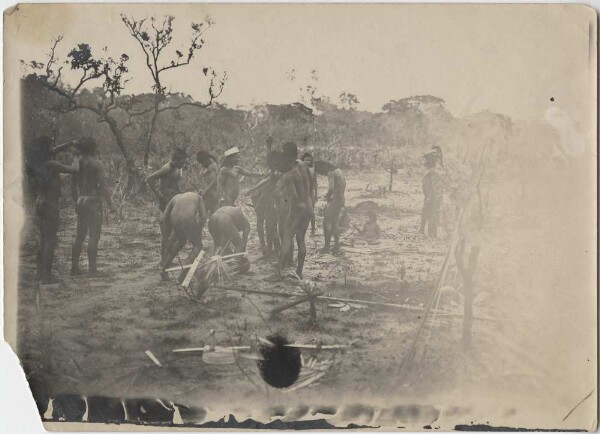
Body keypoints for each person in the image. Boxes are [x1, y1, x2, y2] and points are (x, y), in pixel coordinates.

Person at [25, 136, 77, 283]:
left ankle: (39, 274)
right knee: (50, 241)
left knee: (43, 240)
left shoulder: (37, 163)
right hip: (50, 205)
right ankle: (47, 277)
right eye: (50, 146)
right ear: (46, 149)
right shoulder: (52, 164)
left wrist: (70, 142)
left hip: (39, 203)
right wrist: (76, 158)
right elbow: (74, 170)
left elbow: (54, 149)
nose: (53, 148)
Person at [71, 137, 116, 276]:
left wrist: (77, 201)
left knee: (80, 236)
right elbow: (103, 186)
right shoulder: (97, 164)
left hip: (81, 199)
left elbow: (72, 186)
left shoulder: (77, 163)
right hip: (93, 201)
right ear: (93, 148)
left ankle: (74, 268)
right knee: (93, 236)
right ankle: (92, 270)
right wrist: (111, 204)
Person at [159, 192, 207, 280]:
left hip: (174, 218)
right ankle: (183, 275)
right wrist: (197, 231)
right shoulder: (198, 197)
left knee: (181, 241)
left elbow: (164, 218)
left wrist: (167, 240)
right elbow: (203, 217)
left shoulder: (175, 197)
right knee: (198, 246)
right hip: (187, 218)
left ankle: (164, 269)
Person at [314, 160, 346, 254]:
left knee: (326, 222)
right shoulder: (338, 170)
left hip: (336, 198)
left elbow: (331, 188)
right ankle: (336, 246)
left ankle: (327, 246)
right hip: (341, 197)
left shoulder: (331, 173)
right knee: (334, 221)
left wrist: (326, 197)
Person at [419, 152, 443, 237]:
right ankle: (423, 231)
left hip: (432, 197)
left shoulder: (433, 173)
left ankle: (431, 234)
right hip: (429, 196)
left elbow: (433, 187)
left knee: (431, 214)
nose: (424, 162)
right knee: (427, 213)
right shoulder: (430, 172)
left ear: (430, 161)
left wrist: (430, 197)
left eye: (426, 160)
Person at [196, 150, 219, 216]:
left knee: (201, 215)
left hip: (211, 194)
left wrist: (205, 190)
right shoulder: (209, 166)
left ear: (205, 159)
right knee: (214, 213)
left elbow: (215, 181)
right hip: (209, 193)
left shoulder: (213, 166)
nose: (201, 164)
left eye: (201, 162)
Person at [301, 152, 318, 234]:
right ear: (303, 161)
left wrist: (316, 194)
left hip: (310, 194)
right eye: (306, 160)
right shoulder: (299, 170)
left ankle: (313, 229)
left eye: (309, 160)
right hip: (302, 193)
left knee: (311, 212)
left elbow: (315, 183)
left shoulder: (312, 170)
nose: (308, 161)